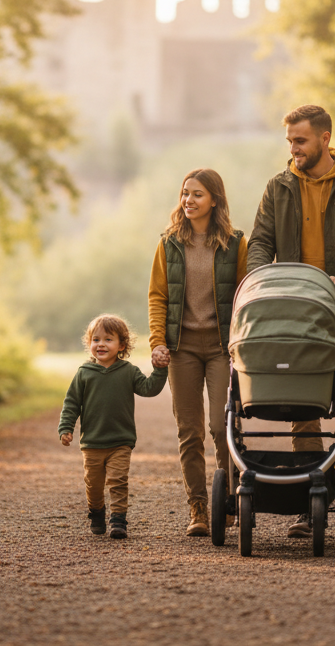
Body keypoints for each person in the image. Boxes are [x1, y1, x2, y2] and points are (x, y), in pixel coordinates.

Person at [246, 104, 335, 539]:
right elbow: (260, 243)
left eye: (300, 140)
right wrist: (263, 282)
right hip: (293, 312)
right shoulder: (279, 187)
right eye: (289, 141)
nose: (293, 149)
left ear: (325, 138)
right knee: (302, 402)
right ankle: (313, 498)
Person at [148, 168, 248, 537]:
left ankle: (231, 500)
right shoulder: (169, 243)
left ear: (214, 200)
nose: (188, 200)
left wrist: (242, 342)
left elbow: (244, 296)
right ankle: (199, 507)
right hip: (183, 347)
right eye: (185, 193)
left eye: (197, 194)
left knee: (222, 427)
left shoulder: (237, 243)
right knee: (189, 432)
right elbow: (158, 295)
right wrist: (158, 341)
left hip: (222, 347)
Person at [58, 314, 168, 539]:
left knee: (118, 481)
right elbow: (71, 403)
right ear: (89, 344)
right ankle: (96, 512)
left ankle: (119, 520)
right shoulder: (84, 373)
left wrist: (160, 370)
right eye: (96, 339)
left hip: (121, 441)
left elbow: (148, 389)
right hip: (92, 443)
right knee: (94, 485)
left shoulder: (128, 371)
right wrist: (66, 428)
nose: (101, 344)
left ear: (122, 345)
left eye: (108, 339)